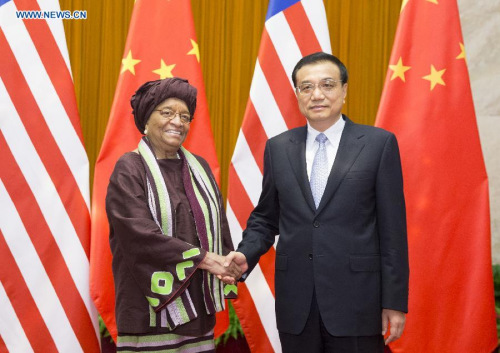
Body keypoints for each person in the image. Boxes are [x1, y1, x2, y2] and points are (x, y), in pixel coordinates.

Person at [225, 52, 409, 353]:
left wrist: (394, 301)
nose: (317, 94)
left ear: (344, 90)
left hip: (358, 303)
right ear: (297, 94)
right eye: (306, 87)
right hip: (297, 305)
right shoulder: (278, 148)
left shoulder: (378, 144)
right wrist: (247, 253)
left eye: (327, 84)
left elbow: (393, 232)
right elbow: (266, 218)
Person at [106, 77, 241, 353]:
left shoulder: (199, 169)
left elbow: (219, 227)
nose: (177, 122)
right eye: (167, 113)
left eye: (185, 116)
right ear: (146, 119)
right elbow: (139, 235)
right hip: (147, 307)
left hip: (196, 307)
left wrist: (227, 264)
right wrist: (205, 259)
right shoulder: (130, 168)